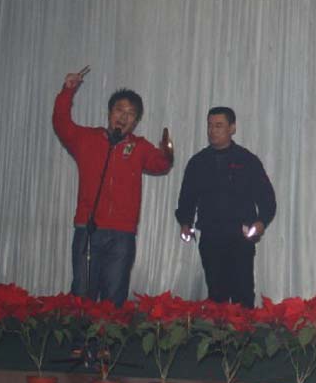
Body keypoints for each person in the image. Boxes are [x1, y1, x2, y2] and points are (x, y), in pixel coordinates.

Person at [53, 69, 173, 306]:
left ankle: (109, 333)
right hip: (88, 229)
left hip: (122, 234)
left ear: (135, 122)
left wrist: (167, 153)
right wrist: (67, 91)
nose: (123, 117)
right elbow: (61, 124)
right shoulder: (87, 139)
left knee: (115, 298)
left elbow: (160, 165)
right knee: (82, 294)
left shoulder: (139, 147)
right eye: (119, 110)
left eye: (130, 114)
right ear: (109, 112)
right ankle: (80, 332)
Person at [175, 106, 276, 308]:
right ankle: (217, 329)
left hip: (241, 236)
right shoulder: (198, 162)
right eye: (210, 126)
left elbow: (267, 198)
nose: (213, 131)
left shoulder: (247, 160)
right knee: (216, 295)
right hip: (211, 235)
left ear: (232, 128)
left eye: (219, 126)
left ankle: (244, 328)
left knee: (243, 294)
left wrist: (261, 222)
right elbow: (187, 198)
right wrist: (185, 223)